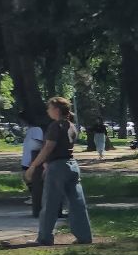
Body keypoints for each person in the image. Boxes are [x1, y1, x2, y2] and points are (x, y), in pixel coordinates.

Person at [26, 96, 93, 246]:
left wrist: (34, 165)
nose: (47, 111)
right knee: (77, 203)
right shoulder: (71, 125)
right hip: (72, 166)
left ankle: (44, 238)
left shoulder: (55, 126)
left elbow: (48, 148)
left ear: (56, 110)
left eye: (49, 108)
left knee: (50, 203)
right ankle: (84, 236)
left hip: (58, 168)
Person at [19, 110, 47, 217]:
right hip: (26, 158)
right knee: (26, 178)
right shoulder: (30, 129)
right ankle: (34, 195)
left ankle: (35, 197)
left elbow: (40, 143)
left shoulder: (36, 129)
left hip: (31, 159)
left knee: (30, 178)